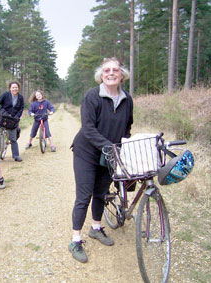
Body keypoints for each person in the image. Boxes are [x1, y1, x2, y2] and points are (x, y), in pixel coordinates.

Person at [69, 57, 133, 263]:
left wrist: (124, 147)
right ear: (101, 74)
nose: (111, 73)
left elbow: (127, 127)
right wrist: (108, 145)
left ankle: (96, 228)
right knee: (84, 196)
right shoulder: (93, 96)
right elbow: (88, 129)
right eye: (107, 70)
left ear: (122, 75)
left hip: (109, 154)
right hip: (86, 153)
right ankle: (75, 240)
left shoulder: (127, 99)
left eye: (115, 70)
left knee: (101, 194)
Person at [0, 81, 24, 162]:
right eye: (13, 87)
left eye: (16, 87)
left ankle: (16, 155)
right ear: (10, 88)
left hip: (13, 119)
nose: (14, 89)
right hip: (3, 116)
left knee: (13, 138)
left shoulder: (20, 97)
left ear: (18, 88)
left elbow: (21, 108)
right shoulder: (5, 95)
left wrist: (17, 117)